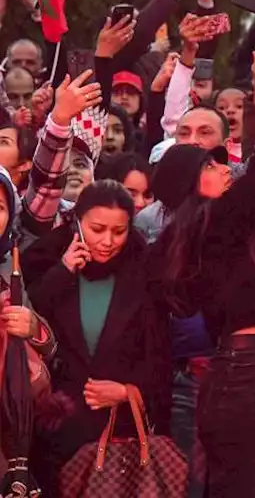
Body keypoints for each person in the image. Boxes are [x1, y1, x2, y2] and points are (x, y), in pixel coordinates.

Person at [152, 11, 255, 498]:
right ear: (187, 184)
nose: (223, 166)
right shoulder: (212, 224)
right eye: (210, 163)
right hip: (246, 370)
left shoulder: (231, 221)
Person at [28, 181, 170, 496]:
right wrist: (63, 272)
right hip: (57, 430)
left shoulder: (143, 275)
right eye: (97, 229)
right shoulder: (48, 262)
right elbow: (30, 322)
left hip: (120, 436)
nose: (107, 241)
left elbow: (160, 356)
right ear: (76, 221)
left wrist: (129, 390)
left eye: (118, 232)